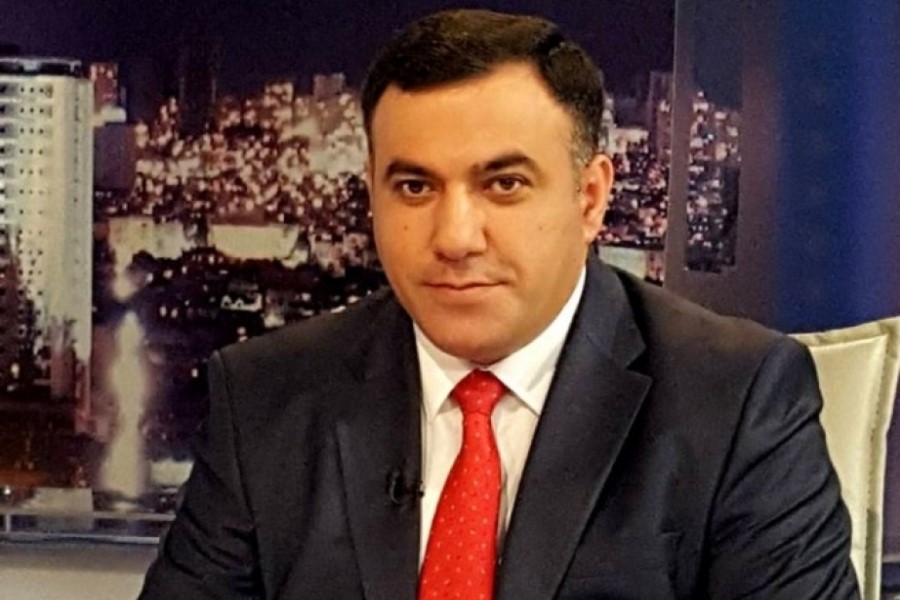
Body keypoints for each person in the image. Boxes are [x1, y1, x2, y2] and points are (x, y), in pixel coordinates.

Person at [140, 9, 858, 599]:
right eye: (415, 187)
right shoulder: (265, 397)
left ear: (590, 198)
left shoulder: (735, 401)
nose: (454, 237)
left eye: (504, 185)